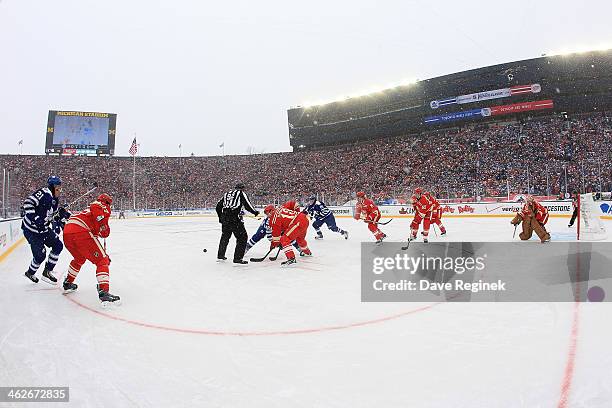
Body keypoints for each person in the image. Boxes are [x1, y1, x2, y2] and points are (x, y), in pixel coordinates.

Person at [62, 193, 120, 305]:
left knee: (79, 259)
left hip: (67, 233)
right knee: (102, 260)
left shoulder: (86, 210)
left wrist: (102, 230)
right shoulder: (101, 205)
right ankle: (104, 291)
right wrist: (104, 227)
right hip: (81, 232)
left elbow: (96, 229)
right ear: (107, 202)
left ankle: (68, 282)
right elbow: (98, 214)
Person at [21, 176, 68, 284]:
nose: (59, 190)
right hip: (31, 231)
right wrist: (36, 219)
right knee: (40, 256)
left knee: (58, 246)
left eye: (60, 188)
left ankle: (47, 271)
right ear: (52, 187)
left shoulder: (55, 200)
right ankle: (30, 272)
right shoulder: (44, 193)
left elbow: (51, 217)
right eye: (58, 188)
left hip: (44, 230)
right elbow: (28, 203)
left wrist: (60, 215)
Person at [216, 183, 259, 264]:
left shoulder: (227, 194)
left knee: (225, 237)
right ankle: (237, 258)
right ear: (242, 189)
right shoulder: (240, 193)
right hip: (234, 218)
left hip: (225, 218)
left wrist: (221, 217)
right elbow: (247, 205)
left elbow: (218, 206)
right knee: (242, 237)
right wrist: (255, 212)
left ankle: (220, 255)